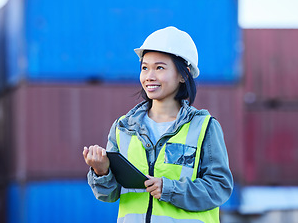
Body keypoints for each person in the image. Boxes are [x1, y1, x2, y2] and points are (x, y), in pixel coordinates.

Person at [83, 26, 233, 223]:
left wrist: (170, 189)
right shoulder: (123, 128)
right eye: (145, 68)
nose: (149, 76)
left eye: (159, 68)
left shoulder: (204, 127)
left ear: (183, 75)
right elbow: (109, 194)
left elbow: (220, 187)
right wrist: (101, 171)